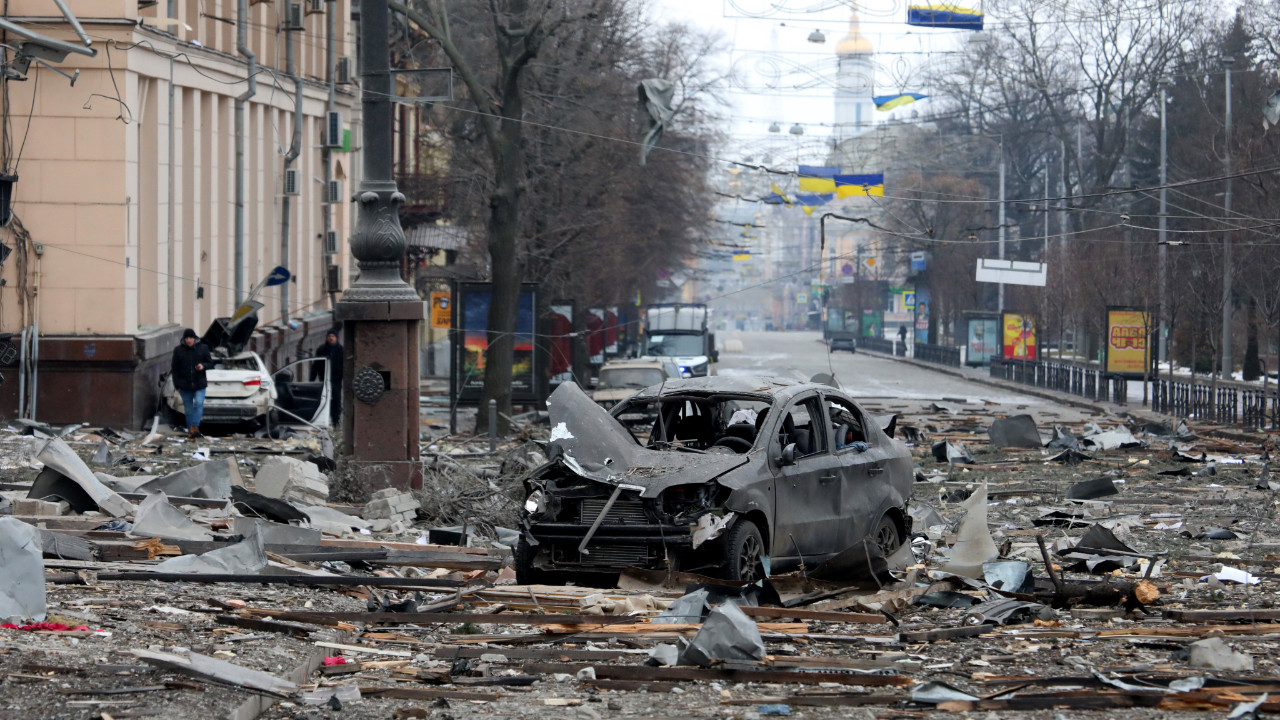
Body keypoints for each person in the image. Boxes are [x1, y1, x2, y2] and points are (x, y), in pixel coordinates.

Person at [171, 328, 212, 438]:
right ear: (184, 339)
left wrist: (202, 366)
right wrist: (177, 385)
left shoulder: (203, 348)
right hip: (185, 385)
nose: (189, 340)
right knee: (188, 410)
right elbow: (174, 369)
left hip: (199, 384)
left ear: (195, 338)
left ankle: (194, 427)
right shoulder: (178, 350)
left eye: (191, 338)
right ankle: (191, 432)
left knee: (198, 403)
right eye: (187, 338)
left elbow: (210, 363)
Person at [318, 329, 344, 425]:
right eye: (329, 336)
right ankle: (324, 419)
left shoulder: (341, 350)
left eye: (333, 336)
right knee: (324, 398)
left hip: (336, 379)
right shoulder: (322, 349)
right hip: (324, 379)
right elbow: (316, 365)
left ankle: (335, 420)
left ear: (336, 338)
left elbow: (344, 365)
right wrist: (312, 378)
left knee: (336, 399)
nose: (331, 338)